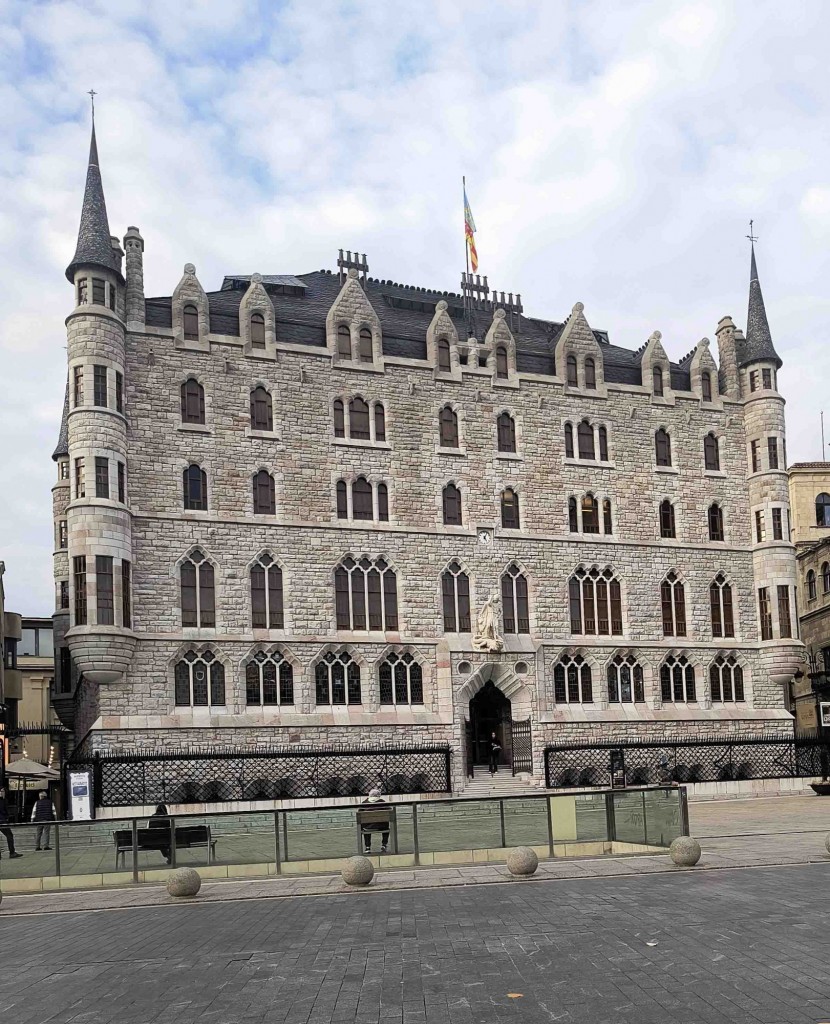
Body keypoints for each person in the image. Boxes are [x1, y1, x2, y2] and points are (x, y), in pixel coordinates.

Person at [360, 788, 391, 854]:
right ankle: (384, 845)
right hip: (382, 827)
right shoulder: (382, 802)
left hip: (368, 827)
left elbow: (360, 813)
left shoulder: (364, 803)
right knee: (386, 826)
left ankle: (367, 847)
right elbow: (390, 811)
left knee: (365, 827)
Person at [0, 786, 22, 859]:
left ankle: (12, 852)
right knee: (9, 835)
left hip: (3, 820)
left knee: (9, 835)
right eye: (1, 791)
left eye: (3, 791)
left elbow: (5, 810)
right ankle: (12, 852)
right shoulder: (3, 800)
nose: (2, 793)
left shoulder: (4, 800)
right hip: (2, 820)